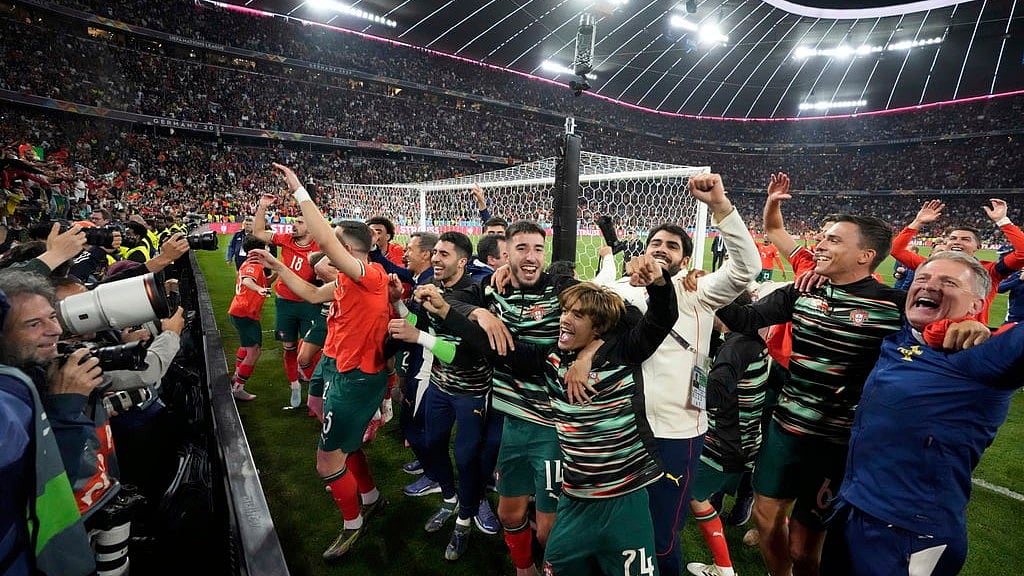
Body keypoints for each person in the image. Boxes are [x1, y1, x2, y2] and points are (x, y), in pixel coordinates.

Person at [419, 254, 678, 576]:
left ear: (598, 328)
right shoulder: (550, 361)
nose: (565, 319)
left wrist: (659, 284)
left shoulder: (624, 353)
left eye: (578, 315)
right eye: (565, 311)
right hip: (574, 497)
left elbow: (658, 320)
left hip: (624, 499)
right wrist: (446, 312)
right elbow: (496, 348)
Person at [716, 214, 920, 576]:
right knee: (766, 519)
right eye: (822, 237)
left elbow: (934, 335)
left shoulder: (895, 306)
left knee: (804, 548)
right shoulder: (802, 289)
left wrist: (962, 324)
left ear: (865, 255)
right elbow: (746, 320)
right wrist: (709, 293)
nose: (820, 245)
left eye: (834, 240)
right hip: (785, 427)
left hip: (836, 442)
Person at [587, 172, 761, 576]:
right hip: (618, 427)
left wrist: (719, 204)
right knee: (619, 526)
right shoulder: (620, 291)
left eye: (673, 245)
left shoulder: (701, 291)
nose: (662, 249)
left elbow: (747, 266)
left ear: (686, 259)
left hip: (675, 431)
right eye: (655, 243)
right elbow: (576, 314)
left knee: (663, 536)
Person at [821, 251, 1022, 576]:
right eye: (923, 279)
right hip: (852, 509)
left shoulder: (982, 356)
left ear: (976, 304)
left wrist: (987, 328)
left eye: (949, 282)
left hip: (910, 532)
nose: (930, 286)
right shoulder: (905, 336)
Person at [270, 163, 390, 561]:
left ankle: (353, 524)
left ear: (349, 249)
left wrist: (299, 189)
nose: (325, 249)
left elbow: (323, 235)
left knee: (326, 462)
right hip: (342, 372)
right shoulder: (343, 280)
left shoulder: (369, 274)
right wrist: (279, 267)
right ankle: (370, 498)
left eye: (335, 243)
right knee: (345, 445)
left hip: (358, 380)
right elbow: (309, 293)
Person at [389, 231, 501, 560]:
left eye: (444, 254)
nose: (436, 258)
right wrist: (398, 301)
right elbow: (417, 322)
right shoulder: (433, 288)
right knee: (432, 443)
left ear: (463, 262)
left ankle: (465, 519)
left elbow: (465, 354)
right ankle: (450, 499)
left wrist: (419, 337)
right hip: (440, 386)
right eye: (434, 252)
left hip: (471, 393)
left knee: (466, 457)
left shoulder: (474, 295)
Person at [0, 284, 96, 576]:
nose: (55, 330)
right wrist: (65, 410)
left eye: (53, 317)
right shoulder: (11, 400)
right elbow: (52, 483)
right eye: (33, 324)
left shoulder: (38, 374)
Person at [685, 296, 770, 576]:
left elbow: (713, 396)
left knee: (693, 495)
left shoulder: (735, 348)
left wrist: (684, 388)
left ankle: (723, 568)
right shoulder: (749, 341)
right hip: (746, 439)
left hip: (726, 443)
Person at [889, 198, 1024, 325]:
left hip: (968, 340)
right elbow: (896, 250)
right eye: (953, 238)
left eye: (965, 239)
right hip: (928, 336)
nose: (957, 242)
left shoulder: (990, 271)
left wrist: (1002, 221)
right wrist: (918, 222)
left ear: (978, 247)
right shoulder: (932, 265)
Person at [253, 191, 321, 408]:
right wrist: (262, 207)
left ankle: (314, 391)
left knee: (312, 349)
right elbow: (258, 232)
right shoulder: (286, 240)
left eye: (300, 222)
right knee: (289, 346)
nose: (294, 225)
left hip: (309, 305)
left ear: (311, 227)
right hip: (285, 304)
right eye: (294, 221)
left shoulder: (319, 248)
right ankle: (294, 386)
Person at [227, 236, 273, 401]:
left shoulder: (251, 264)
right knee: (254, 352)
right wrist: (259, 289)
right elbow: (247, 281)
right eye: (265, 248)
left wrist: (280, 274)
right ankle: (238, 387)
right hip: (246, 313)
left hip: (239, 311)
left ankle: (236, 377)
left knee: (246, 347)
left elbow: (264, 281)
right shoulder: (253, 265)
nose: (267, 251)